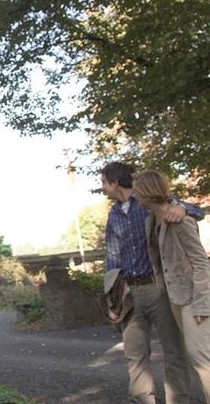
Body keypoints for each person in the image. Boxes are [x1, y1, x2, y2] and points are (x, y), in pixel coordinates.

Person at [101, 161, 205, 404]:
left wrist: (181, 208)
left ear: (115, 182)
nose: (103, 187)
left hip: (159, 288)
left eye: (104, 182)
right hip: (129, 292)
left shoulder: (147, 200)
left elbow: (195, 210)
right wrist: (111, 296)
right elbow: (112, 257)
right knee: (135, 354)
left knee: (173, 351)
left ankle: (179, 400)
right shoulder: (113, 216)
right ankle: (140, 400)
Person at [133, 170, 210, 402]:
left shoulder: (179, 219)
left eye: (137, 190)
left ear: (147, 191)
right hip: (174, 295)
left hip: (192, 297)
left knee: (202, 357)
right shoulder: (151, 221)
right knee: (196, 355)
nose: (135, 195)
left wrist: (202, 304)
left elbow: (201, 263)